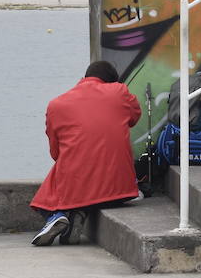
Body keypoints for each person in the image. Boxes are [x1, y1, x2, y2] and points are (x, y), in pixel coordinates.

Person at [30, 59, 141, 246]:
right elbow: (134, 117)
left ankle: (55, 215)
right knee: (85, 172)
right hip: (122, 189)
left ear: (83, 78)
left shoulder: (56, 105)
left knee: (63, 168)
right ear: (111, 82)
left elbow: (56, 153)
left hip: (79, 186)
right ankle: (76, 215)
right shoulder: (119, 92)